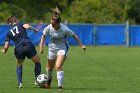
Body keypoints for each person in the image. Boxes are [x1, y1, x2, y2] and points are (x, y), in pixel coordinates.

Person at [39, 7, 86, 91]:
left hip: (62, 48)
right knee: (49, 68)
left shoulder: (64, 29)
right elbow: (43, 36)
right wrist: (41, 47)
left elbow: (74, 35)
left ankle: (60, 86)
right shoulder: (49, 27)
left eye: (53, 24)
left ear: (58, 23)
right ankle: (49, 81)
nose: (52, 25)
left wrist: (81, 45)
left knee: (58, 66)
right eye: (51, 23)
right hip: (52, 49)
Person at [1, 16, 41, 88]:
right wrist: (34, 29)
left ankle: (20, 83)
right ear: (16, 20)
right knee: (37, 62)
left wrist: (4, 51)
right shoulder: (20, 24)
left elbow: (6, 46)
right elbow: (27, 26)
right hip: (28, 45)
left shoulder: (8, 33)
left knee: (19, 65)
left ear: (10, 23)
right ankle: (37, 81)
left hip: (18, 49)